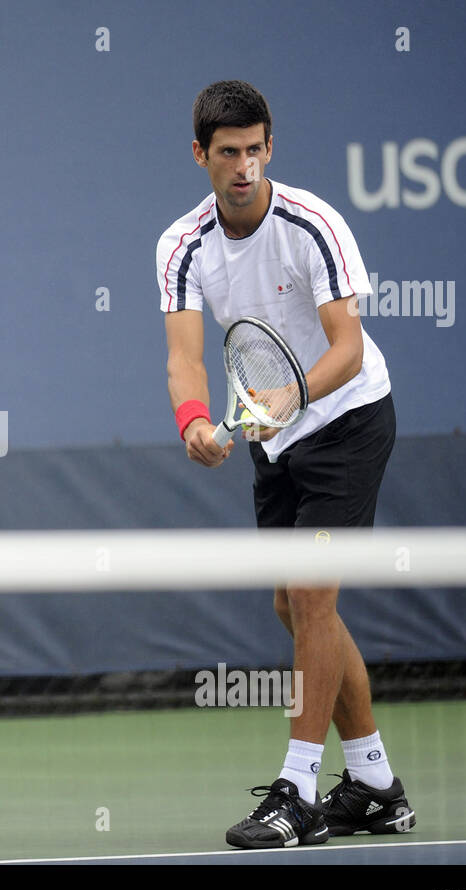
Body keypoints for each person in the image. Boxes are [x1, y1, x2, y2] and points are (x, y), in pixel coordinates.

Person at [157, 80, 415, 849]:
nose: (244, 166)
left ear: (270, 147)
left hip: (348, 418)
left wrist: (290, 390)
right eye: (228, 152)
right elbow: (183, 358)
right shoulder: (182, 245)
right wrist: (196, 421)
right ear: (200, 155)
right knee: (293, 606)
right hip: (278, 435)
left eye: (255, 149)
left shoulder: (312, 225)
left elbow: (350, 346)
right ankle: (374, 782)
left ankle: (297, 790)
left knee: (309, 593)